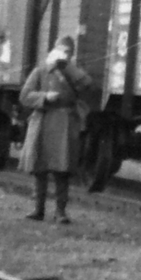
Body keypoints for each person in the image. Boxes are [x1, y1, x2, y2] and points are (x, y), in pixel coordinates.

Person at [19, 36, 95, 224]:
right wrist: (45, 96)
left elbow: (87, 85)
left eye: (68, 51)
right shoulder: (41, 70)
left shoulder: (74, 72)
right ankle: (38, 210)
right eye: (61, 50)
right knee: (40, 168)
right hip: (43, 121)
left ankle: (60, 212)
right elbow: (25, 96)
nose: (64, 54)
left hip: (64, 123)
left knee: (62, 169)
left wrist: (67, 66)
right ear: (54, 50)